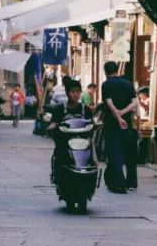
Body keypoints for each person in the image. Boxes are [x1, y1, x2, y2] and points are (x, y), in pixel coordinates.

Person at [101, 61, 138, 193]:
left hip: (112, 123)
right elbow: (134, 102)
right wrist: (123, 113)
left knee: (114, 152)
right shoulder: (128, 84)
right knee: (127, 152)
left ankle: (119, 183)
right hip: (127, 123)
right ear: (117, 70)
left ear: (105, 72)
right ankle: (130, 182)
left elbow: (110, 103)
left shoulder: (106, 84)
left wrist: (118, 116)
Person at [47, 78, 94, 182]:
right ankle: (58, 175)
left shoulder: (85, 109)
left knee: (91, 154)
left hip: (82, 140)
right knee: (60, 152)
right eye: (73, 92)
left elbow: (92, 122)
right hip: (65, 140)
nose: (75, 94)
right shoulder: (60, 109)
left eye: (78, 92)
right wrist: (52, 126)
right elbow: (53, 122)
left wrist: (96, 125)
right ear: (67, 93)